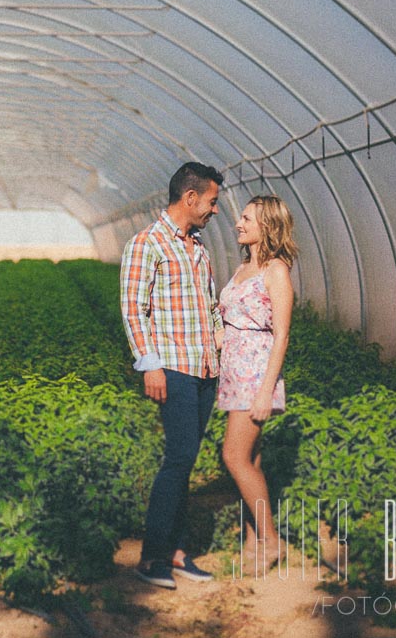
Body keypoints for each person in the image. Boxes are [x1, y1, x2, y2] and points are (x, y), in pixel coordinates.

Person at [120, 161, 225, 589]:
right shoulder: (148, 244)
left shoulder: (196, 247)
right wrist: (150, 365)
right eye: (213, 202)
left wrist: (223, 340)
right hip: (174, 368)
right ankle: (153, 556)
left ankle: (178, 552)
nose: (216, 211)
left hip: (204, 369)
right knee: (178, 460)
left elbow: (209, 305)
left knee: (187, 461)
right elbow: (133, 308)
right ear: (190, 198)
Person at [218, 194, 298, 572]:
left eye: (247, 219)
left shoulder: (276, 271)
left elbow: (281, 334)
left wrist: (267, 391)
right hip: (233, 372)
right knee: (250, 458)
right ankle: (253, 537)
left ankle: (271, 540)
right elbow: (233, 324)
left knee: (233, 456)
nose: (239, 223)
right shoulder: (242, 268)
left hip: (254, 375)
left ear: (267, 226)